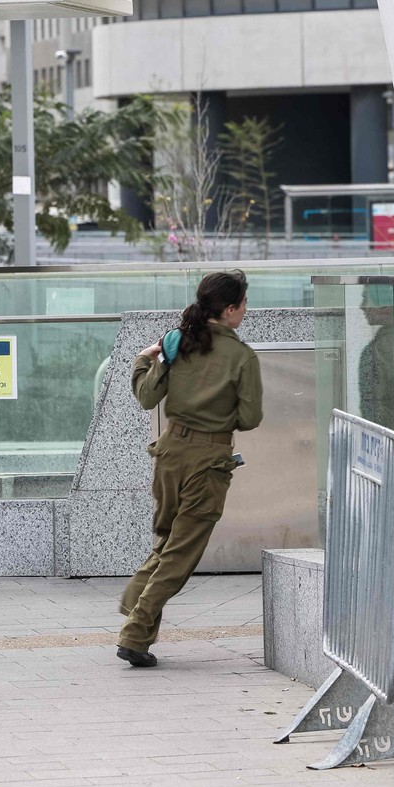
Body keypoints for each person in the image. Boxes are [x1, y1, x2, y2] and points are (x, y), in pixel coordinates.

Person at [117, 270, 263, 667]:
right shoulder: (242, 357)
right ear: (230, 310)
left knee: (166, 542)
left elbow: (148, 397)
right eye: (244, 305)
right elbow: (250, 418)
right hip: (209, 461)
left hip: (169, 454)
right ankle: (134, 628)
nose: (246, 312)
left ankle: (136, 615)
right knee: (180, 555)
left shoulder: (178, 344)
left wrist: (144, 359)